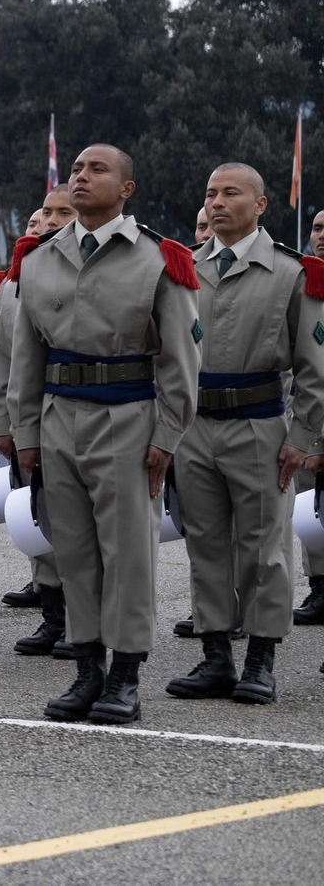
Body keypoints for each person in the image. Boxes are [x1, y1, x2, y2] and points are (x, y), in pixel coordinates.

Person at [12, 144, 199, 725]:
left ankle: (125, 677)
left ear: (127, 189)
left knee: (128, 555)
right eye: (76, 170)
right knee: (73, 550)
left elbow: (180, 359)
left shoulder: (158, 259)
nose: (81, 177)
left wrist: (168, 435)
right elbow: (26, 354)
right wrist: (26, 433)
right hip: (59, 415)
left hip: (128, 414)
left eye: (97, 170)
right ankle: (87, 670)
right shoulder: (40, 259)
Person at [163, 164, 322, 704]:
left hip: (258, 423)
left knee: (262, 548)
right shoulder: (183, 268)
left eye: (232, 193)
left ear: (261, 205)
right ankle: (215, 658)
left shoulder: (291, 273)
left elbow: (313, 366)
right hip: (195, 425)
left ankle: (260, 660)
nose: (218, 202)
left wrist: (303, 435)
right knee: (205, 545)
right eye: (211, 193)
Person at [0, 185, 77, 656]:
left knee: (82, 528)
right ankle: (53, 614)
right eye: (47, 212)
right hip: (33, 419)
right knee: (41, 520)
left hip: (83, 411)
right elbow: (3, 359)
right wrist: (5, 423)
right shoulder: (17, 280)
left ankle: (85, 621)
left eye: (64, 212)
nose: (52, 220)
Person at [296, 210, 324, 625]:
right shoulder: (304, 285)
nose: (322, 236)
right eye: (318, 227)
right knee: (309, 508)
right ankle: (319, 587)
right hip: (307, 415)